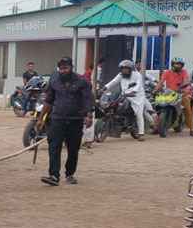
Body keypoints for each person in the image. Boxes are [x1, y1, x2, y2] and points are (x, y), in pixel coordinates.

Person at [37, 57, 93, 186]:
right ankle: (54, 175)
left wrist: (88, 116)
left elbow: (87, 100)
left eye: (66, 68)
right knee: (54, 147)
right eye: (61, 68)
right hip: (57, 119)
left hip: (75, 120)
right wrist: (41, 119)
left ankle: (70, 174)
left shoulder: (82, 82)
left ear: (71, 68)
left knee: (73, 149)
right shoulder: (54, 81)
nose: (63, 71)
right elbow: (48, 101)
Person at [103, 59, 147, 140]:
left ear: (130, 69)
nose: (124, 70)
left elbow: (138, 85)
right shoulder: (121, 75)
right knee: (115, 106)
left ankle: (141, 133)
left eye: (126, 68)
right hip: (125, 95)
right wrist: (105, 87)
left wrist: (133, 91)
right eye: (123, 68)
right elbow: (113, 82)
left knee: (138, 114)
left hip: (137, 97)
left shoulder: (137, 75)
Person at [160, 57, 193, 137]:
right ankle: (157, 126)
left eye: (180, 64)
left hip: (182, 93)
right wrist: (155, 90)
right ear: (172, 64)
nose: (178, 66)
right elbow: (161, 82)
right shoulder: (167, 72)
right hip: (169, 94)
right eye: (176, 64)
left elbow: (186, 81)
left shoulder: (184, 72)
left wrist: (183, 87)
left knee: (187, 110)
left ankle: (192, 129)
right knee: (159, 105)